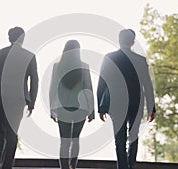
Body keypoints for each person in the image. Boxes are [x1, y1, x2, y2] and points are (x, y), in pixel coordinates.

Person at [0, 27, 38, 169]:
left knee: (1, 131)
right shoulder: (29, 56)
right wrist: (32, 102)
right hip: (18, 99)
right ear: (23, 38)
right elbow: (35, 80)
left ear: (9, 38)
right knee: (12, 132)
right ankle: (6, 166)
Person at [97, 29, 156, 169]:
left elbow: (101, 83)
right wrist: (152, 107)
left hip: (116, 104)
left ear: (119, 40)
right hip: (136, 103)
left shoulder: (109, 58)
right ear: (133, 42)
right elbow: (147, 84)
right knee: (133, 136)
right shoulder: (140, 60)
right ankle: (131, 165)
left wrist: (100, 106)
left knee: (119, 139)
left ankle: (122, 167)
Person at [49, 40, 94, 169]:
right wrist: (91, 110)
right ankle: (72, 166)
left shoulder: (57, 66)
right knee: (75, 138)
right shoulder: (84, 66)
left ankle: (64, 167)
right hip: (81, 107)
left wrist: (52, 109)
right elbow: (88, 88)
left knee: (64, 140)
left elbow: (53, 88)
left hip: (62, 106)